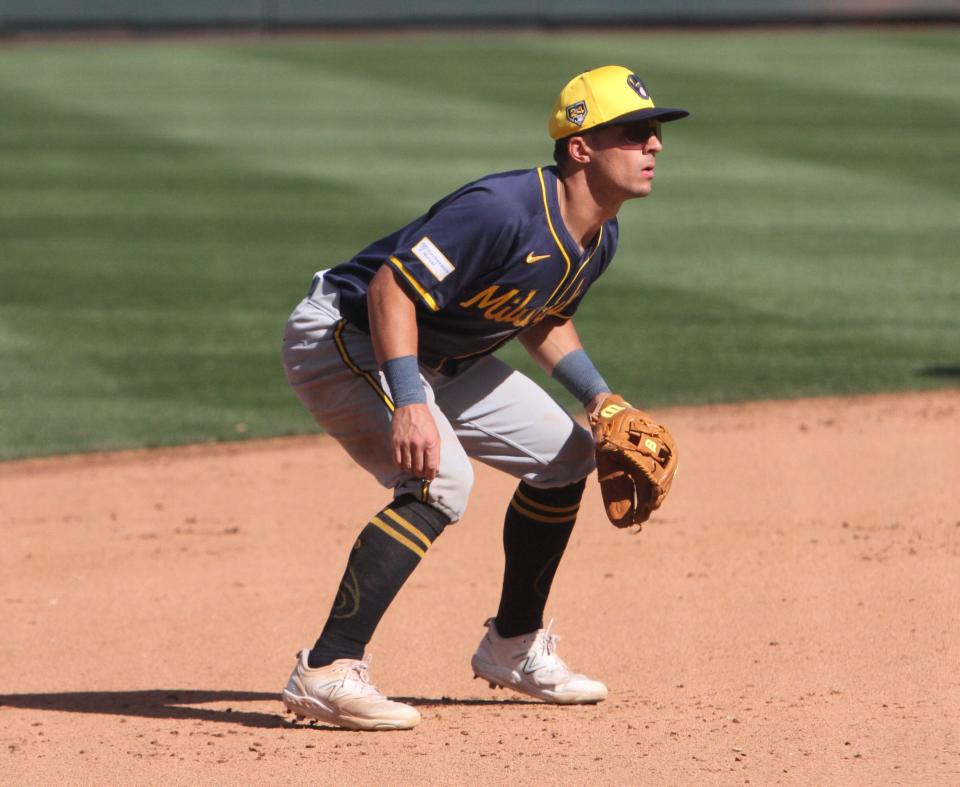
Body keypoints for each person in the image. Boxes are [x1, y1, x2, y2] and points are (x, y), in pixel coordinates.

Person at [279, 65, 688, 731]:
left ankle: (513, 646)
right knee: (442, 480)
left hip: (444, 354)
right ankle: (326, 668)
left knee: (565, 458)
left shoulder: (598, 233)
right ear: (580, 146)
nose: (655, 147)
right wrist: (410, 399)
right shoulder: (500, 209)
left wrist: (601, 398)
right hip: (344, 334)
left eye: (654, 134)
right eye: (635, 133)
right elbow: (390, 290)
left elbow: (540, 314)